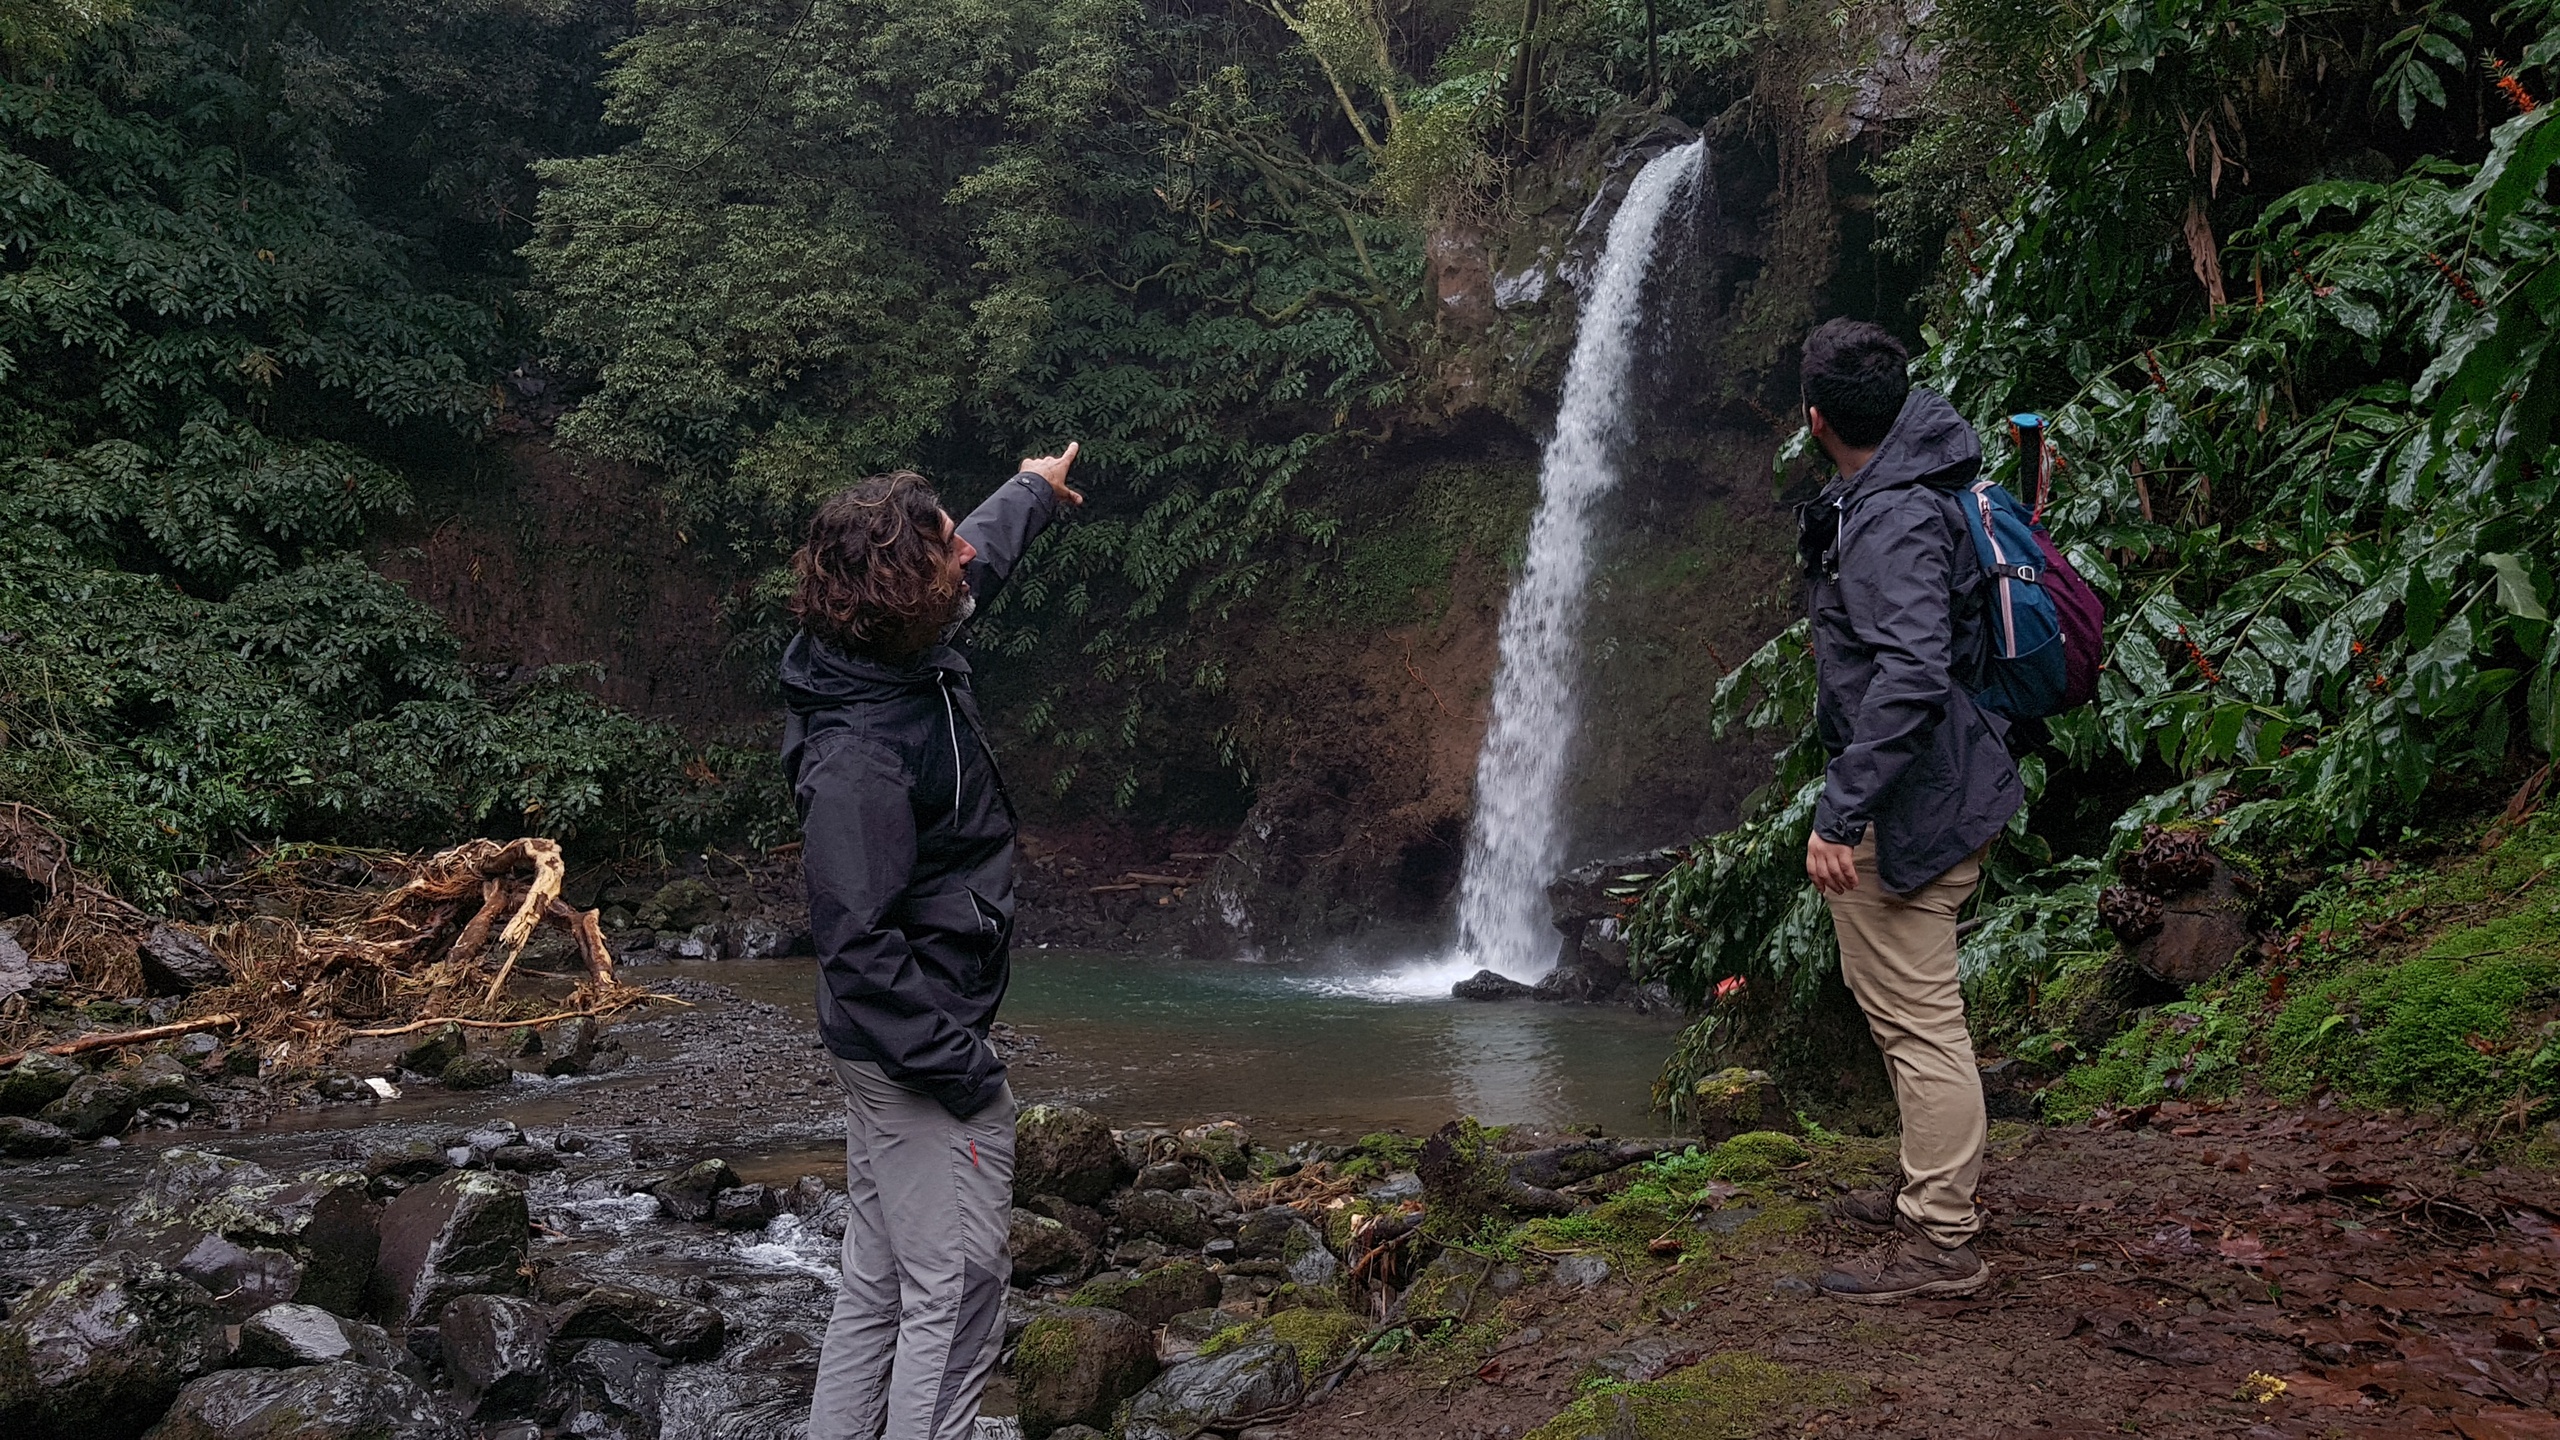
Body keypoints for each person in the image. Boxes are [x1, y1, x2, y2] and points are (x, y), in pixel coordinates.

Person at [781, 446, 1084, 1439]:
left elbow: (979, 559)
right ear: (903, 590)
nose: (965, 554)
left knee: (878, 1280)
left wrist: (1031, 491)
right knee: (955, 1298)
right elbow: (856, 946)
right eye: (942, 546)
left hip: (886, 1047)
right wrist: (968, 1072)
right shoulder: (860, 755)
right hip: (915, 1050)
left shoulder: (895, 648)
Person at [1793, 320, 2021, 1303]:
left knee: (1921, 1023)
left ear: (1814, 421)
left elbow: (1910, 673)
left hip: (1910, 799)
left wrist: (1841, 814)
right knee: (1907, 1011)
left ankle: (1937, 1240)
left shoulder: (1888, 519)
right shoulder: (1913, 485)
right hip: (1936, 783)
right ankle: (1928, 1190)